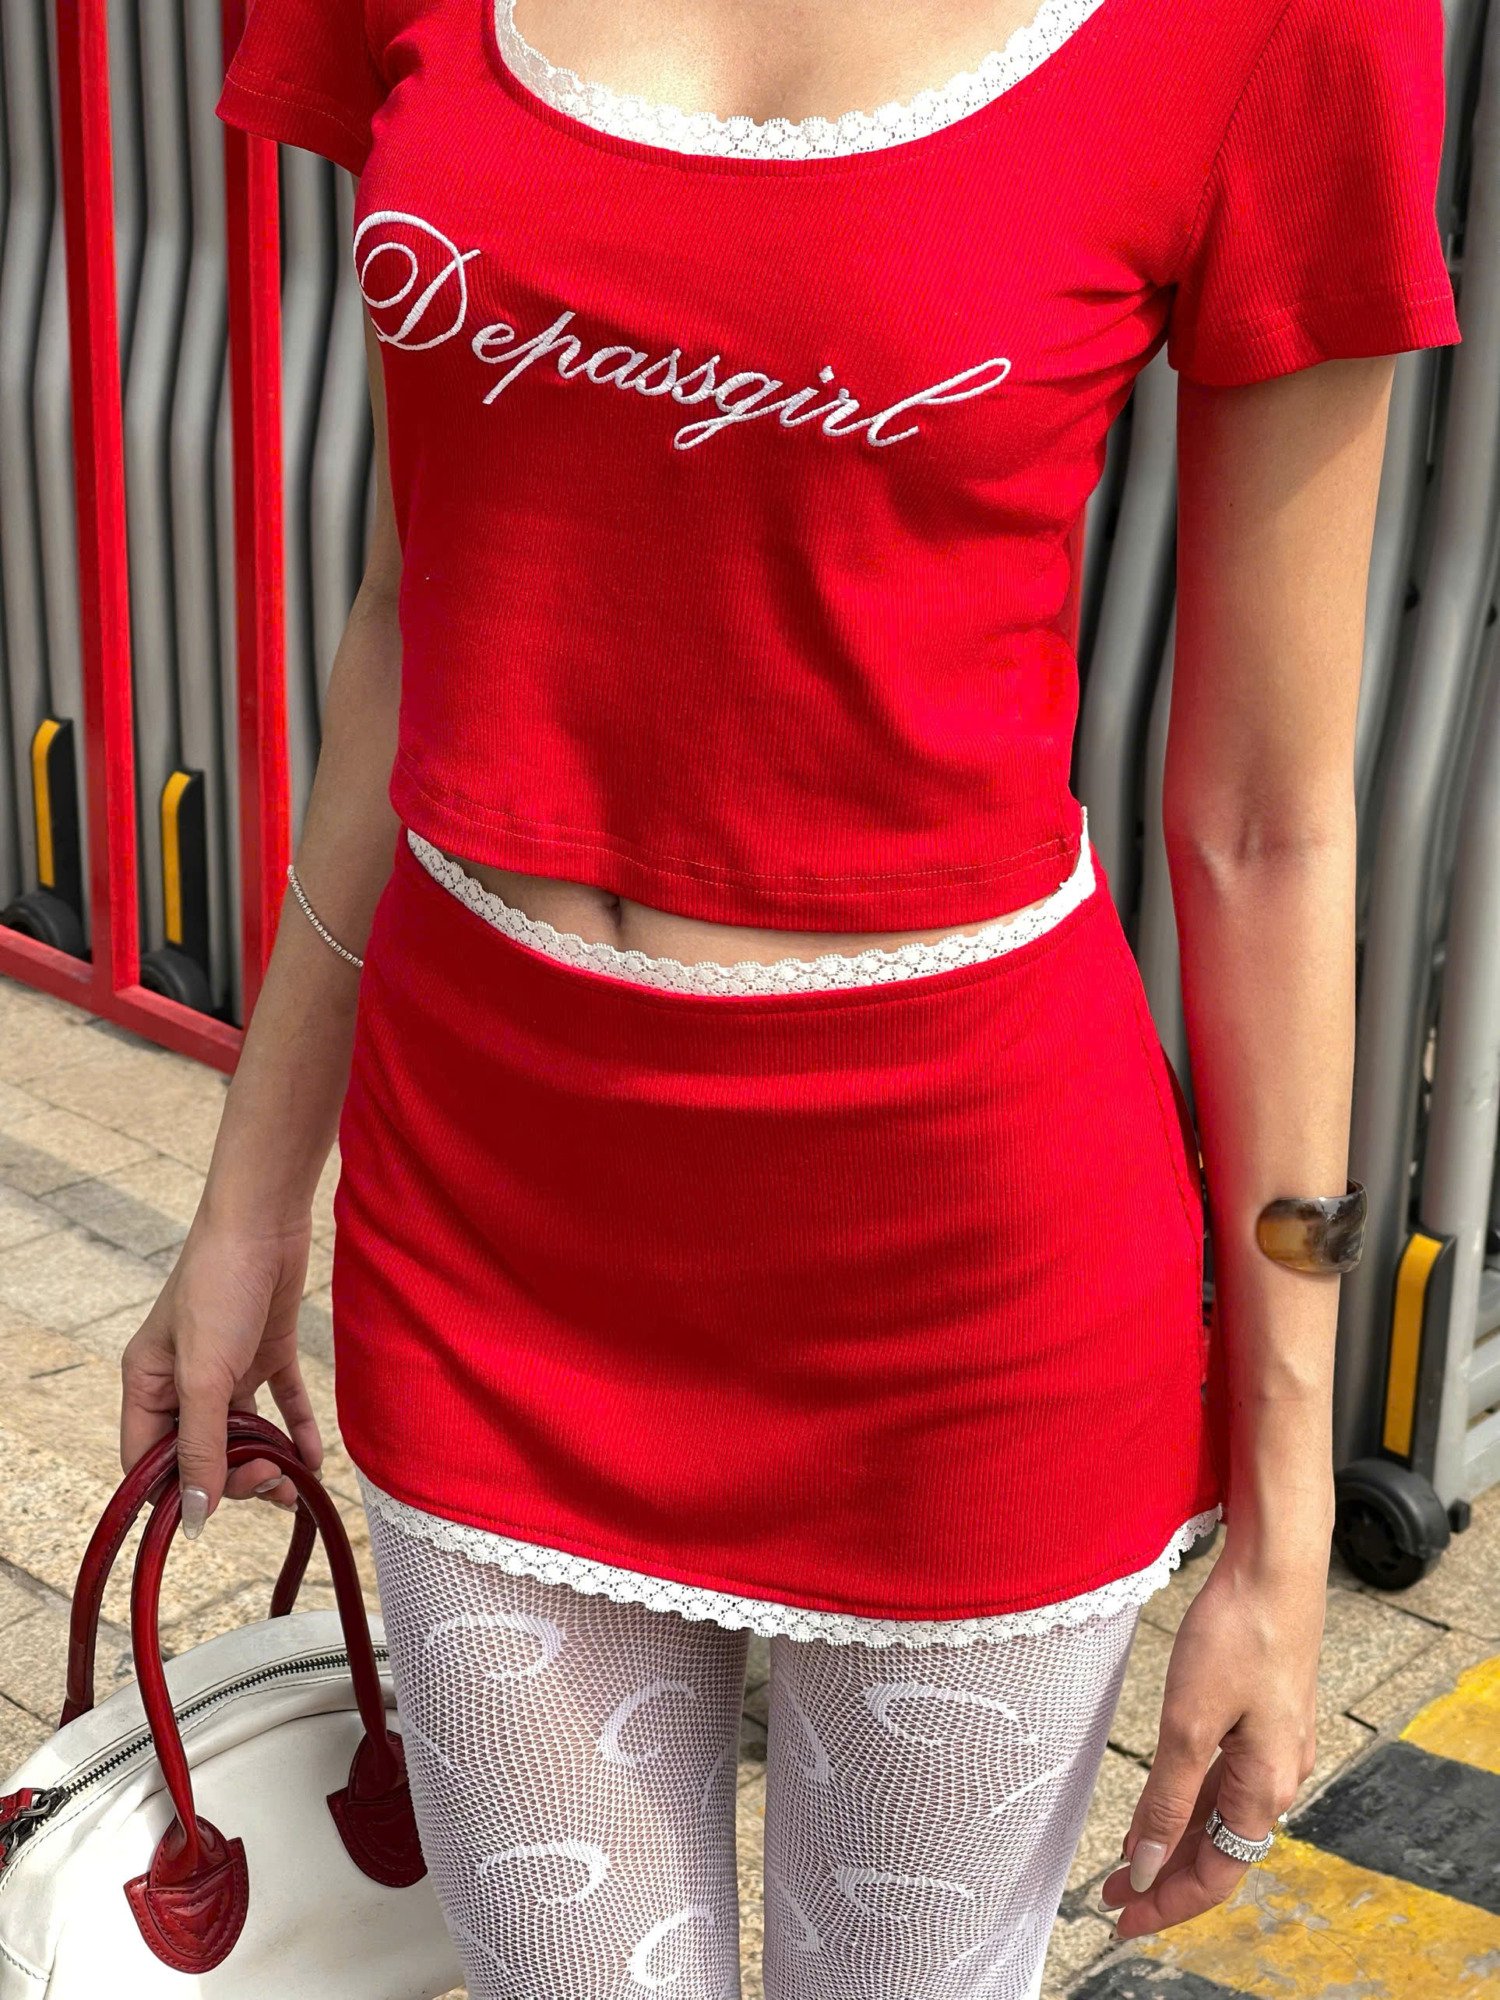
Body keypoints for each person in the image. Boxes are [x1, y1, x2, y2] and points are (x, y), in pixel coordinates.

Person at [120, 1, 1461, 1994]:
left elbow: (1270, 821)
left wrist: (1281, 1528)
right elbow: (414, 619)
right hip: (486, 1223)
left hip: (964, 1291)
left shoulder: (1277, 26)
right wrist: (246, 1205)